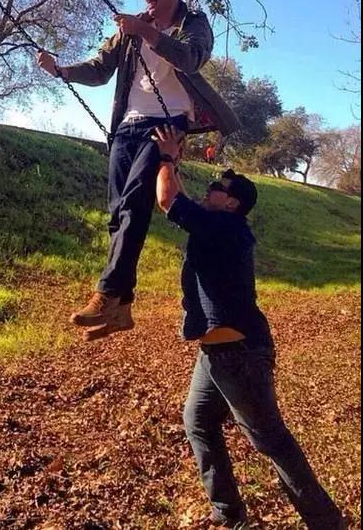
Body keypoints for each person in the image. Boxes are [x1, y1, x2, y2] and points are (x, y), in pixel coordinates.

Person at [153, 125, 345, 530]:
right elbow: (181, 198)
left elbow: (169, 200)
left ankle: (327, 523)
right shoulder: (215, 223)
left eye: (217, 188)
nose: (210, 189)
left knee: (270, 440)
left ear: (232, 203)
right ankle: (228, 513)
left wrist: (168, 158)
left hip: (239, 354)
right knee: (198, 422)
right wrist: (174, 161)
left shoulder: (226, 227)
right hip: (215, 354)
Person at [38, 0, 240, 340]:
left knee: (134, 203)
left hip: (167, 122)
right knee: (118, 213)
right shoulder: (130, 29)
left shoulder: (193, 23)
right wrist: (61, 71)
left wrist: (145, 31)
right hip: (127, 124)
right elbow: (100, 69)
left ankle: (107, 292)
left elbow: (191, 58)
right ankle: (123, 308)